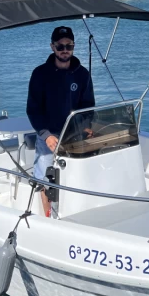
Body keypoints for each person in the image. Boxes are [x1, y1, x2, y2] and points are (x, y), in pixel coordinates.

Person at [26, 26, 95, 216]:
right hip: (49, 135)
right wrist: (45, 135)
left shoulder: (82, 74)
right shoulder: (40, 74)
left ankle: (76, 212)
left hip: (74, 134)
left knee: (77, 174)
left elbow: (88, 105)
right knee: (45, 179)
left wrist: (87, 125)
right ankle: (48, 217)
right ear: (52, 47)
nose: (65, 50)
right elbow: (33, 110)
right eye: (60, 46)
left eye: (69, 46)